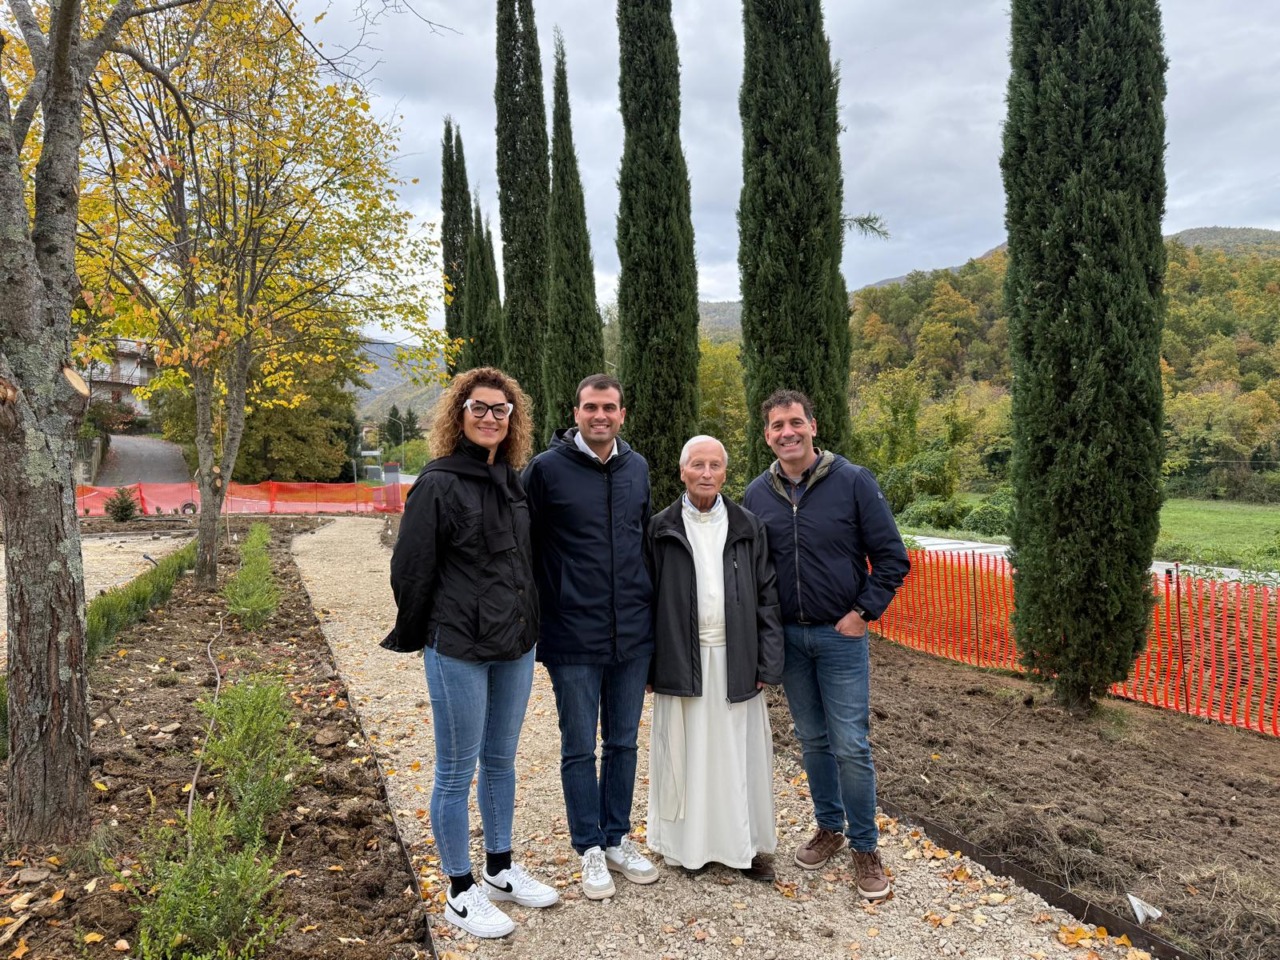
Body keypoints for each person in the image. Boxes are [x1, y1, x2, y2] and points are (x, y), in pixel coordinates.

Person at [385, 367, 558, 938]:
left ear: (512, 419)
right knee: (456, 770)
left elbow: (524, 563)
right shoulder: (437, 483)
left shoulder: (513, 481)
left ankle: (499, 869)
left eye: (500, 410)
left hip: (514, 645)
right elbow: (411, 568)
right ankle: (459, 890)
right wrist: (424, 633)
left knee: (502, 761)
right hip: (459, 646)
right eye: (478, 408)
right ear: (459, 415)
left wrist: (531, 620)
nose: (490, 417)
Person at [742, 389, 910, 901]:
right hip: (790, 640)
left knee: (851, 745)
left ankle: (866, 846)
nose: (787, 432)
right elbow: (750, 571)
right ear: (767, 435)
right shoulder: (757, 494)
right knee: (812, 740)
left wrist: (862, 614)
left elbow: (892, 557)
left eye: (795, 422)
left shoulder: (853, 482)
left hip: (840, 637)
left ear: (812, 426)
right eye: (777, 426)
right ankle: (829, 827)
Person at [522, 374, 659, 900]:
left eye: (609, 408)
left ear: (622, 414)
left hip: (632, 634)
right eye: (590, 407)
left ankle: (617, 837)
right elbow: (526, 548)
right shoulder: (545, 470)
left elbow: (642, 544)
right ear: (576, 413)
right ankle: (589, 847)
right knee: (579, 746)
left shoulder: (637, 467)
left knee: (623, 742)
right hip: (572, 633)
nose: (600, 416)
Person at [646, 436, 784, 880]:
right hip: (680, 658)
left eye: (715, 465)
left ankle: (745, 846)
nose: (706, 473)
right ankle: (689, 848)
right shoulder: (660, 528)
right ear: (682, 471)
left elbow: (767, 597)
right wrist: (648, 665)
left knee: (738, 756)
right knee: (685, 755)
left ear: (725, 473)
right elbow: (646, 599)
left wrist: (768, 661)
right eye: (697, 465)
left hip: (736, 657)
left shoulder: (748, 526)